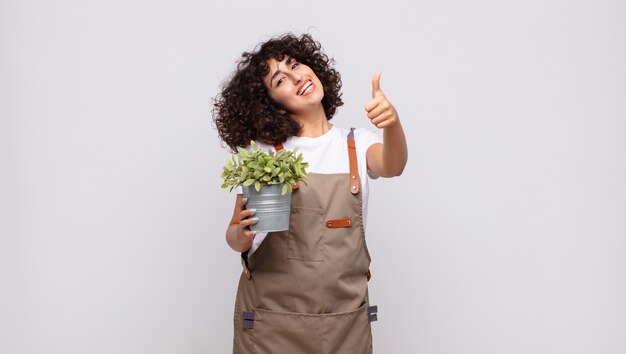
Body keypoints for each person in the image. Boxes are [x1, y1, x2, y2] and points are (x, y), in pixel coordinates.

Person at [212, 32, 407, 354]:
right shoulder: (264, 154)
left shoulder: (357, 144)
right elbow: (233, 236)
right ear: (271, 103)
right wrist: (244, 234)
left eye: (295, 64)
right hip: (271, 324)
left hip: (344, 323)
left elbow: (393, 165)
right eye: (281, 80)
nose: (297, 77)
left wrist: (393, 123)